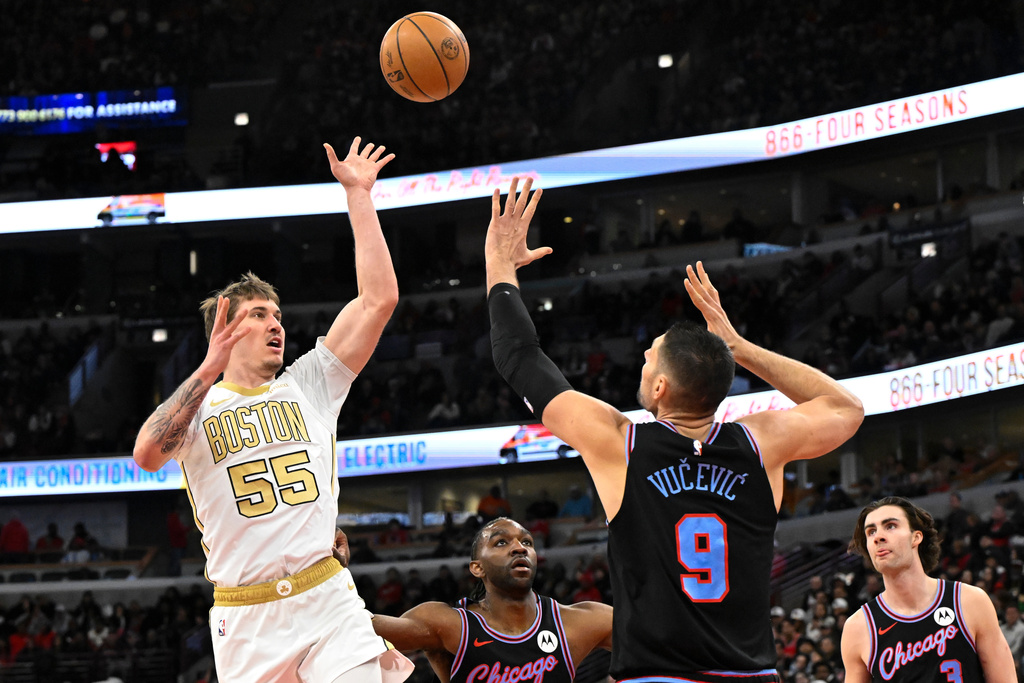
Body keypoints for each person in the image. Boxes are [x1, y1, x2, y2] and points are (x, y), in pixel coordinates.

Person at [484, 177, 864, 683]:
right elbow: (844, 407)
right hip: (750, 677)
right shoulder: (761, 443)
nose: (642, 359)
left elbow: (519, 357)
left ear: (660, 386)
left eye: (648, 359)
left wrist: (499, 266)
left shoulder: (622, 443)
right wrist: (739, 346)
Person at [132, 137, 412, 683]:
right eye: (260, 314)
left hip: (326, 596)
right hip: (245, 613)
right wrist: (207, 368)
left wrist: (358, 195)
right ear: (227, 328)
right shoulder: (196, 408)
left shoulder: (311, 381)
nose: (276, 322)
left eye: (277, 313)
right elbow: (146, 453)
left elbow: (378, 301)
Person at [335, 518, 612, 683]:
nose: (519, 547)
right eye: (501, 542)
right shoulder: (448, 624)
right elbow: (354, 628)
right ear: (477, 568)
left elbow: (651, 639)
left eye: (527, 542)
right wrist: (331, 571)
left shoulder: (578, 621)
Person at [841, 496, 1015, 682]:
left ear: (916, 537)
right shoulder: (858, 628)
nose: (878, 537)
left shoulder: (969, 600)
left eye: (890, 526)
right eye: (871, 532)